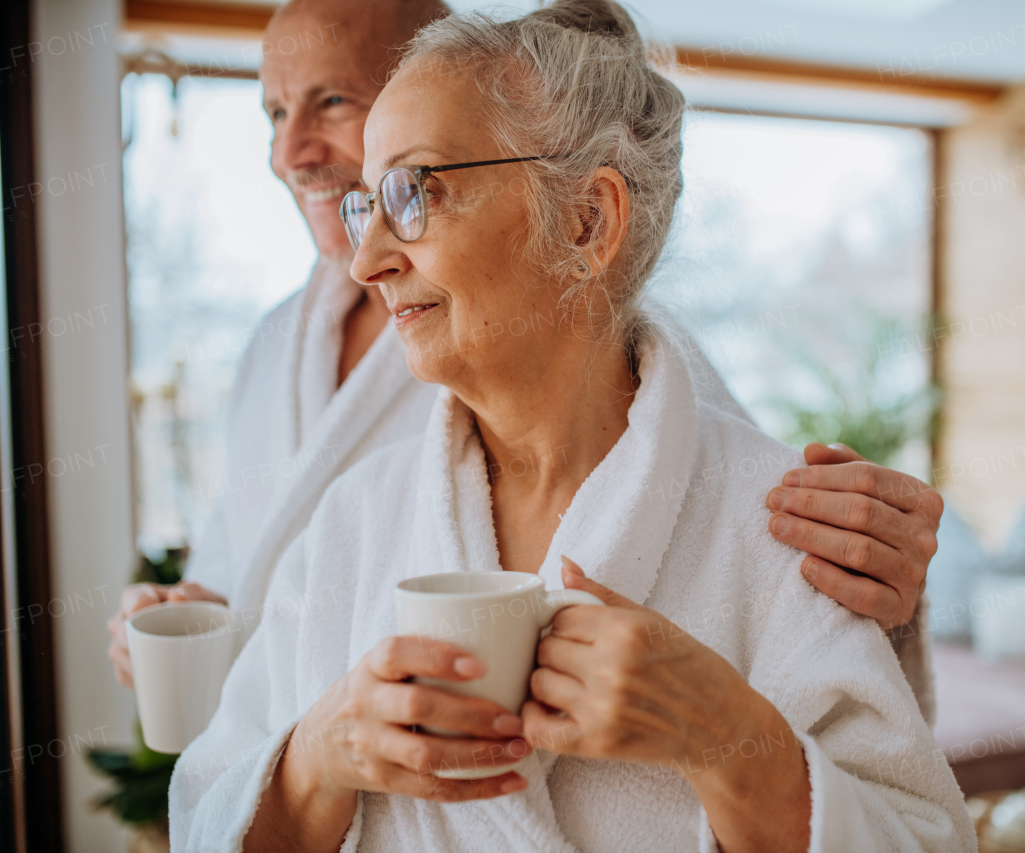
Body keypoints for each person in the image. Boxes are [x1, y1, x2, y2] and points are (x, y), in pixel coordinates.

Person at [170, 3, 974, 851]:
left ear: (588, 220)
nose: (367, 258)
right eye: (370, 204)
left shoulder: (776, 530)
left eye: (414, 193)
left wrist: (730, 738)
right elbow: (208, 814)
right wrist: (313, 762)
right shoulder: (351, 522)